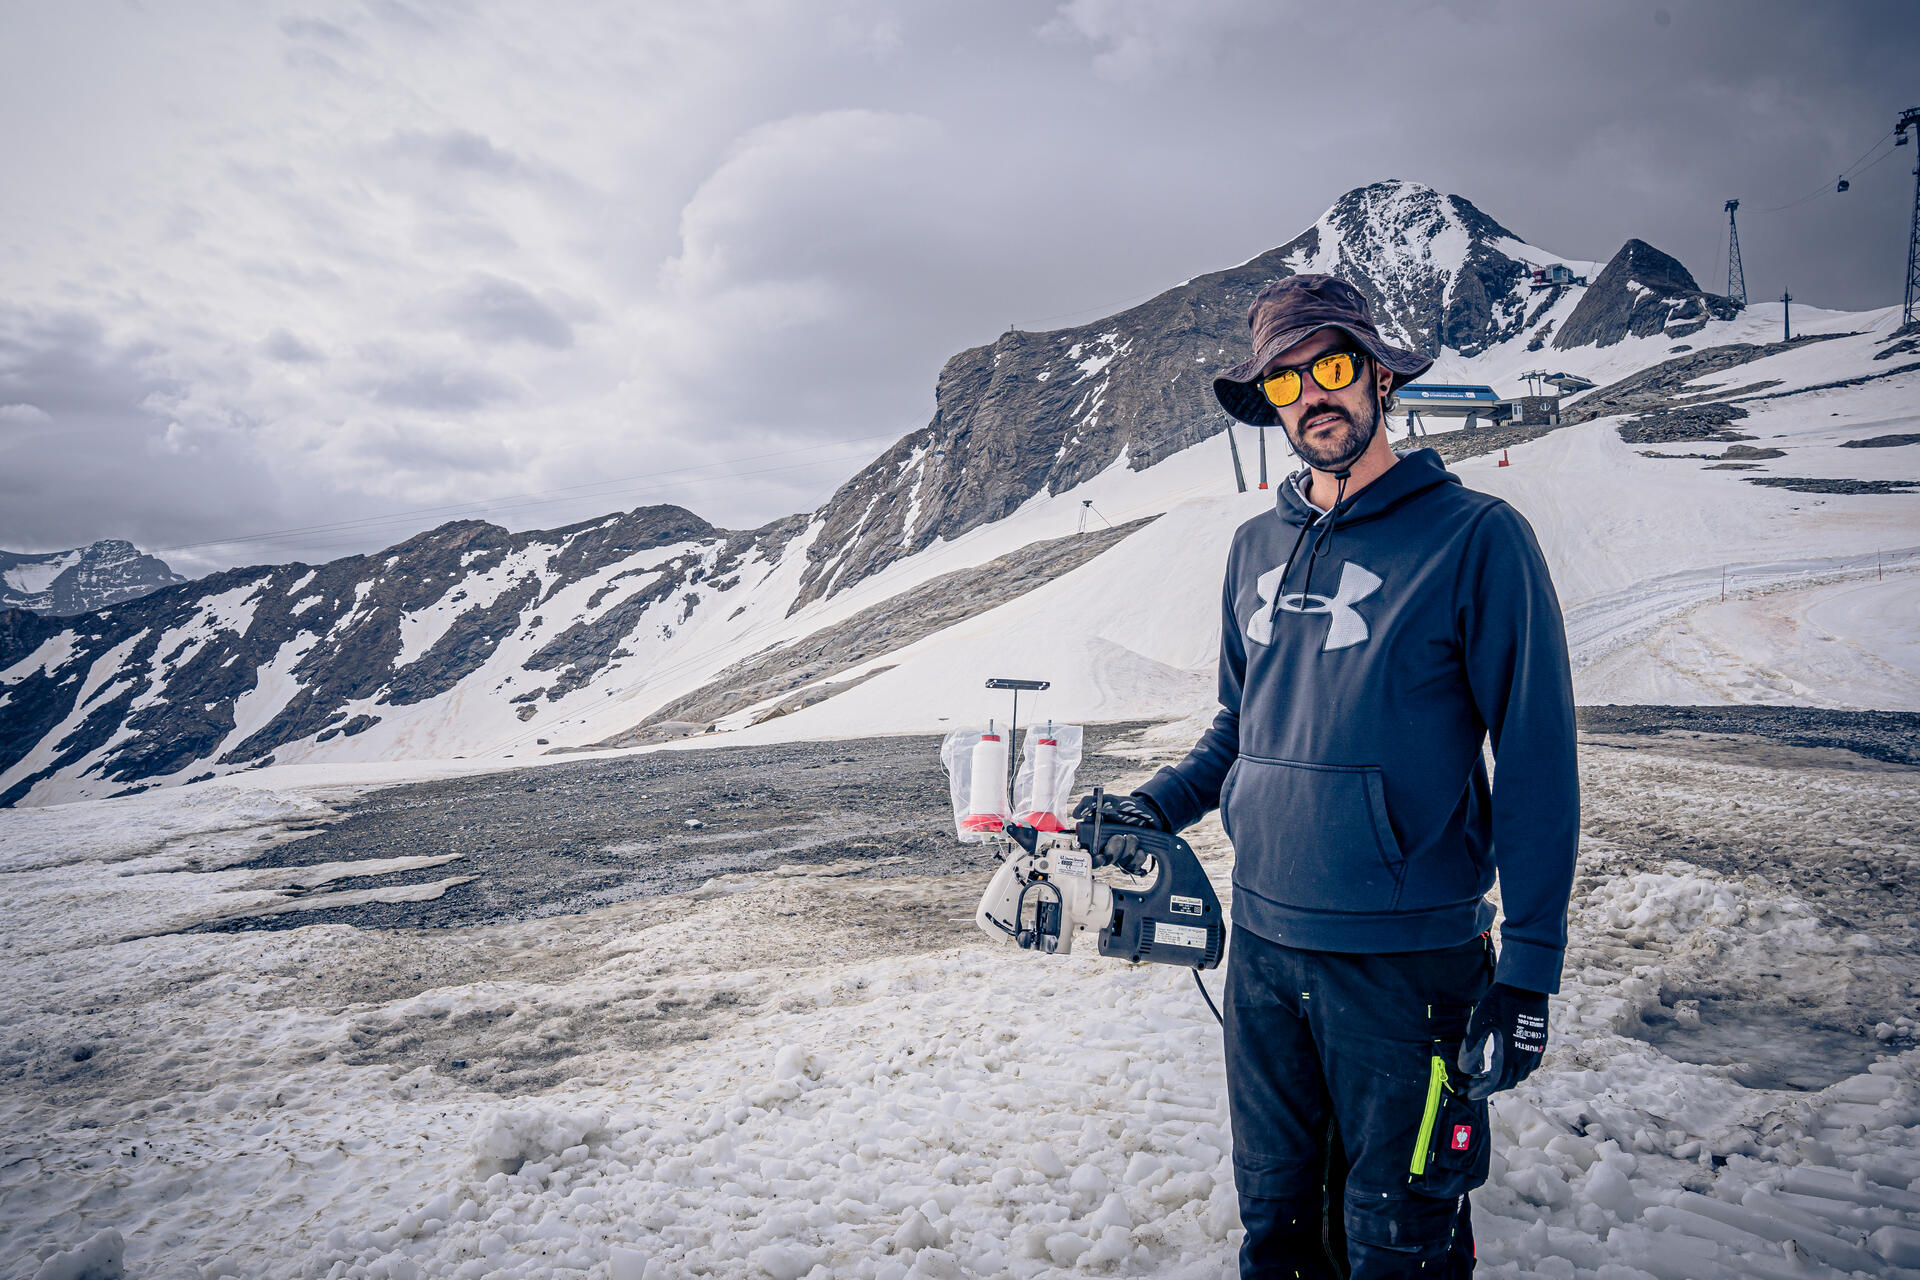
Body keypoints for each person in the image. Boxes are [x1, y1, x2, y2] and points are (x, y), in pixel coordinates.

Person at [1078, 274, 1578, 1278]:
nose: (1315, 394)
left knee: (1398, 1241)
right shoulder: (1254, 545)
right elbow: (1244, 725)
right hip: (1263, 955)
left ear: (1381, 376)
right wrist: (1157, 802)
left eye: (1335, 367)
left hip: (1409, 969)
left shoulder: (1476, 540)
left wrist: (1527, 967)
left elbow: (1534, 756)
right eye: (1285, 380)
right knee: (1278, 1228)